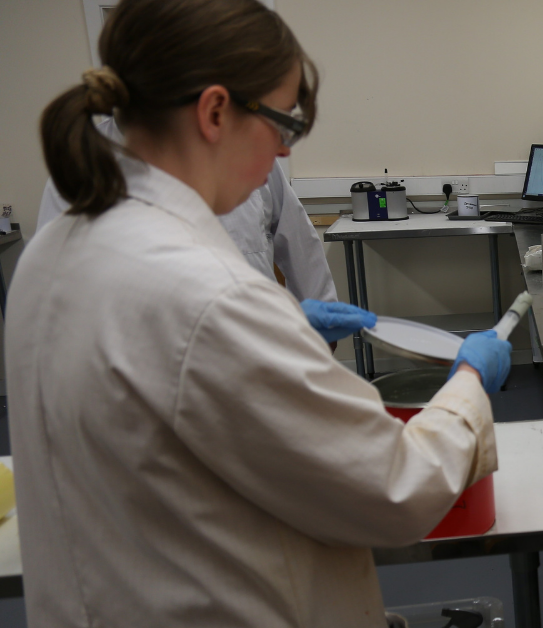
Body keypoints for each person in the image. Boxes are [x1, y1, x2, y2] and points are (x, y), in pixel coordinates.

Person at [4, 1, 512, 626]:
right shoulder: (207, 295)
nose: (279, 153)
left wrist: (281, 335)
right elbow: (395, 489)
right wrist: (466, 385)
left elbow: (142, 397)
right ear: (215, 111)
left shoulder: (51, 251)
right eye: (281, 124)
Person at [38, 117, 373, 345]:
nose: (282, 150)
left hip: (259, 343)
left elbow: (298, 243)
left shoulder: (244, 162)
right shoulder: (81, 176)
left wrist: (318, 324)